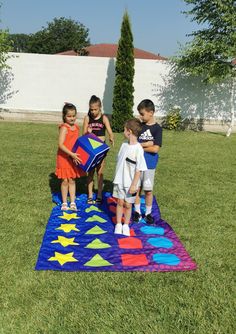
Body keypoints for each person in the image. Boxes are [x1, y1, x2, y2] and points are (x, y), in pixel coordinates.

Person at [113, 119, 147, 236]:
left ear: (129, 132)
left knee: (128, 205)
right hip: (119, 181)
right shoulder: (123, 146)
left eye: (124, 130)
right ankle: (118, 224)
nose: (123, 132)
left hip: (131, 184)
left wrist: (134, 185)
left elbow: (139, 169)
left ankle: (126, 224)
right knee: (119, 202)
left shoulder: (138, 149)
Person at [133, 99, 162, 224]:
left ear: (151, 113)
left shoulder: (157, 129)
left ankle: (148, 213)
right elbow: (133, 143)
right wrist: (146, 144)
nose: (140, 116)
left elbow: (155, 149)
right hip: (137, 164)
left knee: (148, 190)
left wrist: (142, 145)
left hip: (150, 164)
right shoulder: (140, 126)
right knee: (137, 189)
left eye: (142, 114)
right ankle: (137, 212)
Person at [83, 95, 114, 204]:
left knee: (100, 172)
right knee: (90, 172)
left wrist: (111, 136)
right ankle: (90, 195)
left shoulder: (104, 118)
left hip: (101, 149)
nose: (93, 111)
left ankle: (99, 195)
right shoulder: (87, 118)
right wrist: (88, 133)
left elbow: (109, 131)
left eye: (95, 109)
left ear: (100, 107)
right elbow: (84, 134)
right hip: (91, 149)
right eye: (91, 109)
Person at [55, 103, 85, 211]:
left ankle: (72, 202)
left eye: (73, 116)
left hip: (73, 158)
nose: (72, 118)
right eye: (69, 116)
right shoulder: (64, 128)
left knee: (72, 180)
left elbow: (76, 142)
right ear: (64, 116)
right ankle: (64, 202)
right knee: (65, 181)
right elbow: (61, 144)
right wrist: (71, 154)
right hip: (64, 158)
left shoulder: (76, 128)